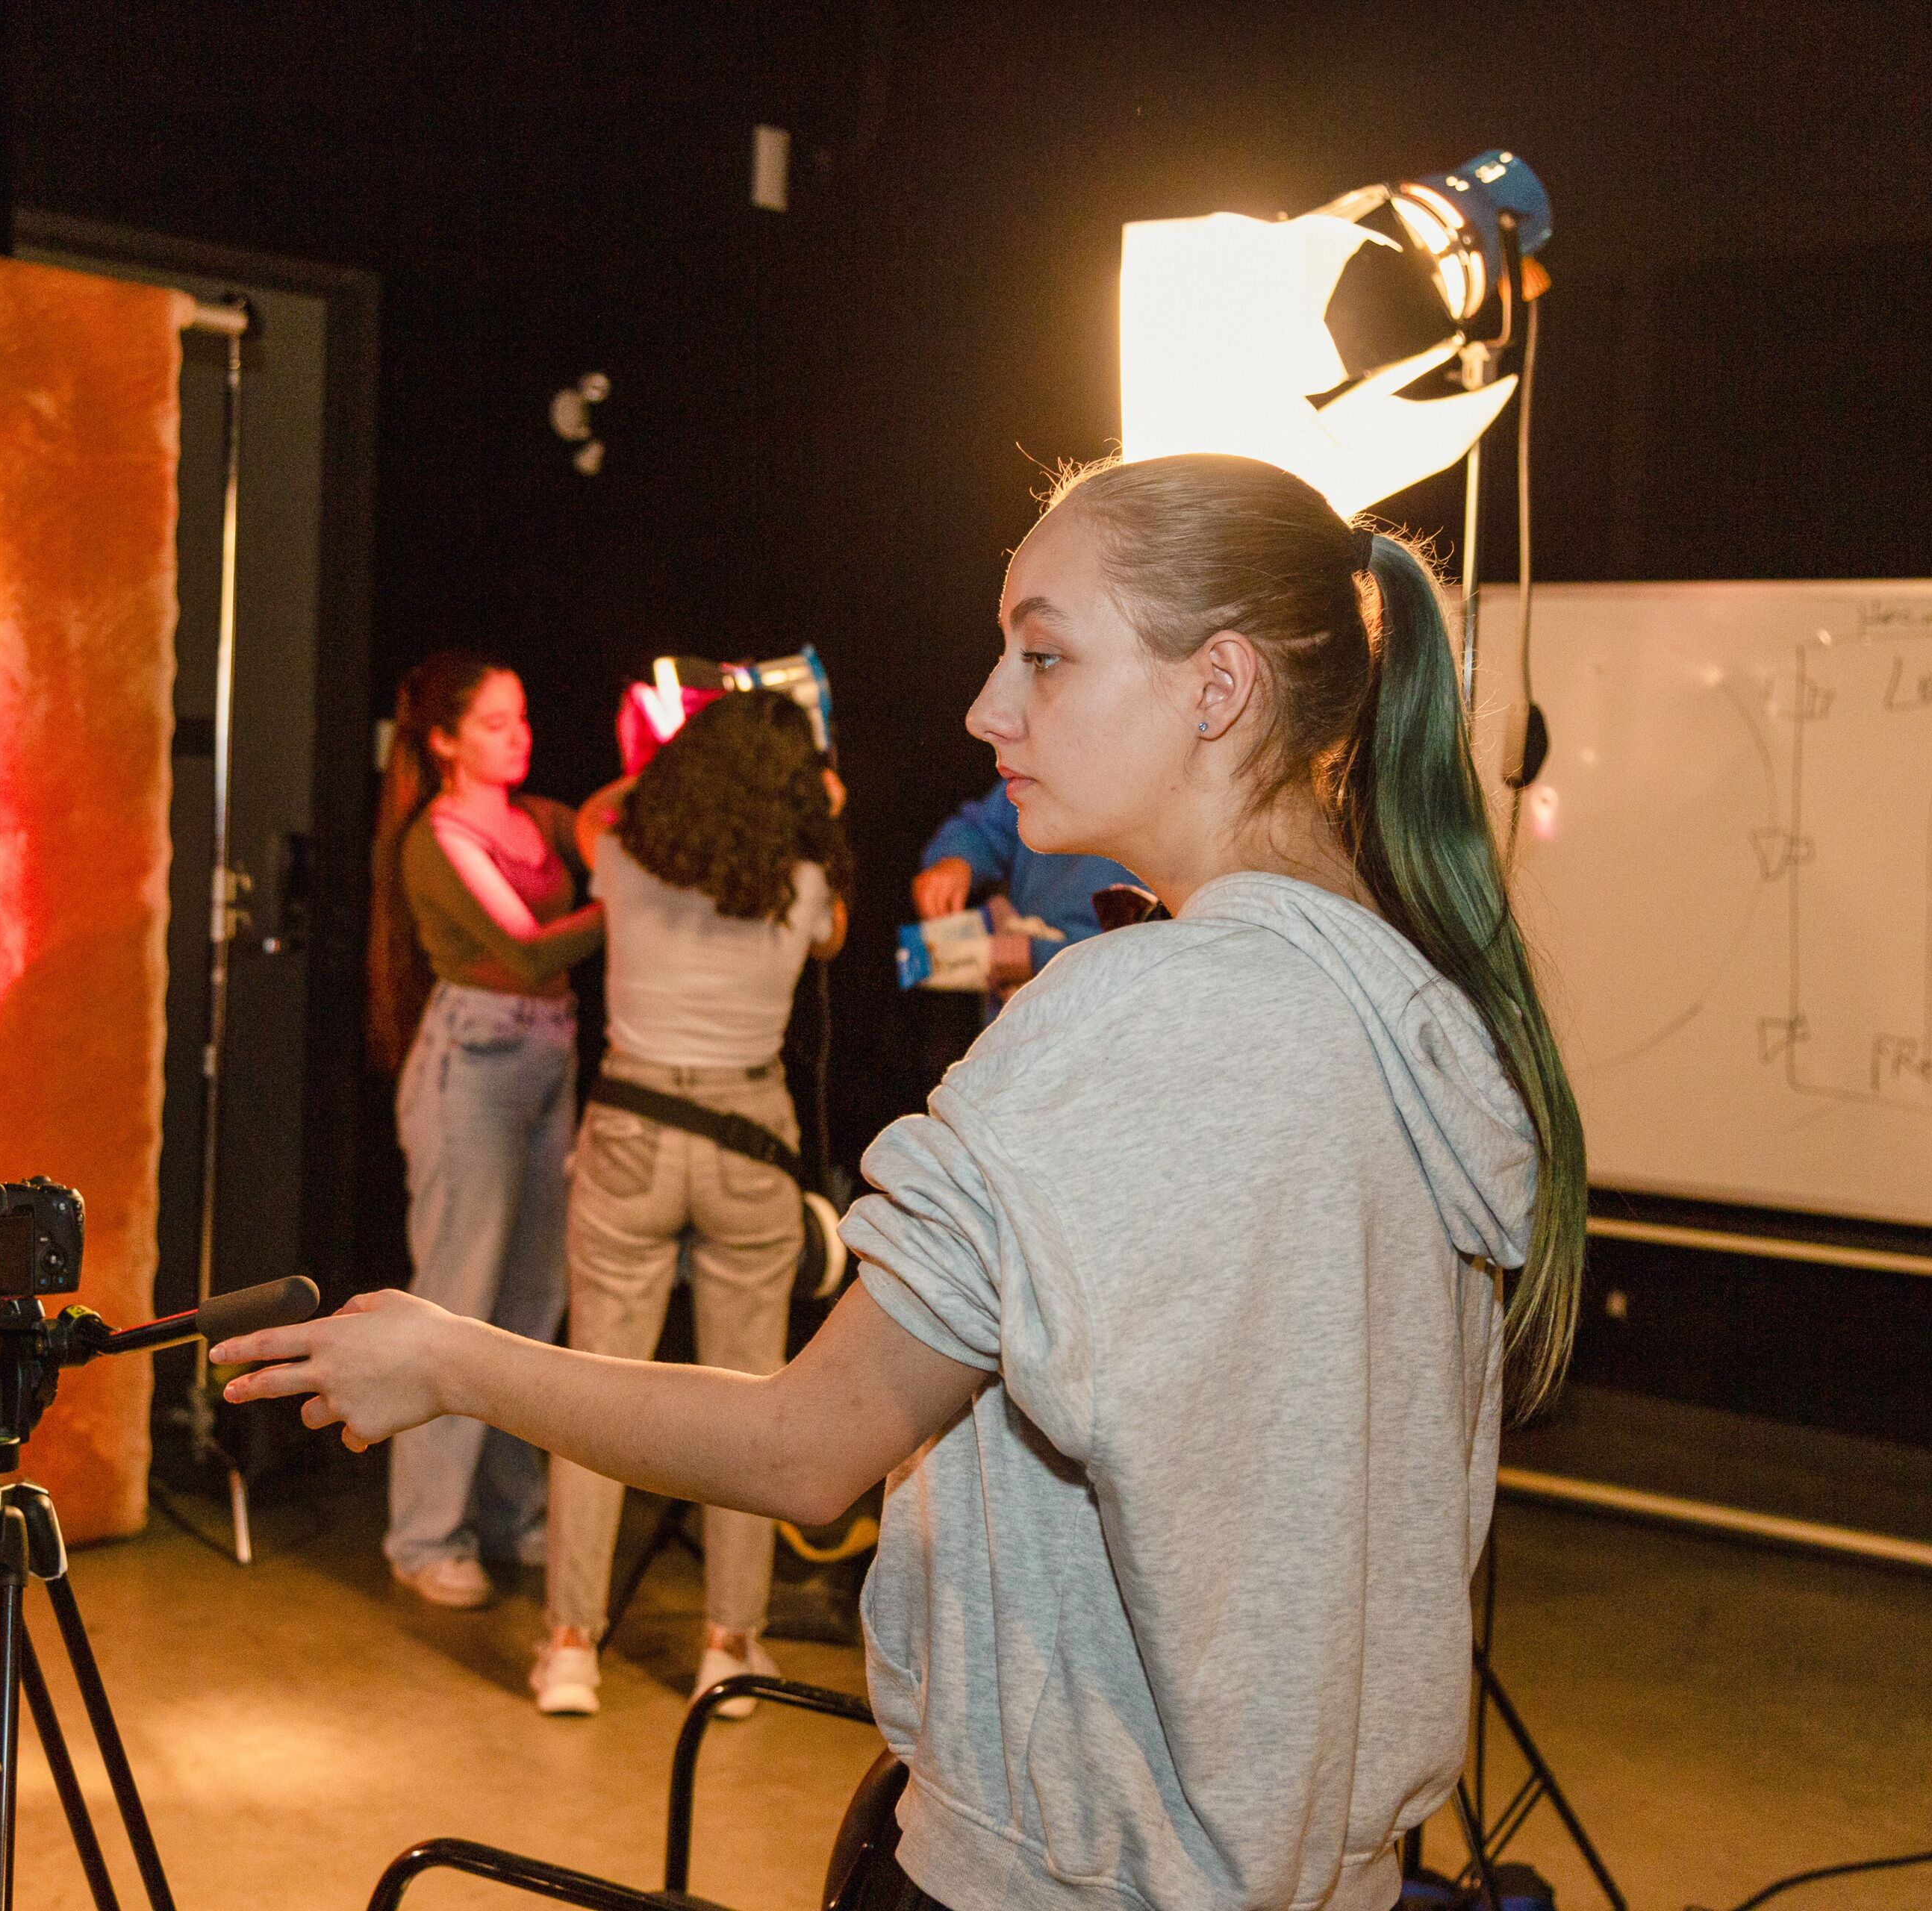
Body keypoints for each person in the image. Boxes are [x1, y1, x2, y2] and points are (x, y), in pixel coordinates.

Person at [237, 452, 1585, 1911]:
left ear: (1220, 687)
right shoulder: (1419, 1006)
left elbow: (809, 1443)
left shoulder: (1134, 1012)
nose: (987, 707)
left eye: (1047, 653)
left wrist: (445, 1354)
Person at [531, 690, 850, 1719]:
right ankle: (730, 1647)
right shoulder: (805, 886)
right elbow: (836, 934)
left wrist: (671, 767)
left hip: (630, 1122)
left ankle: (571, 1648)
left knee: (591, 1392)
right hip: (747, 1137)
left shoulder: (625, 856)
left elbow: (597, 808)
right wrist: (821, 799)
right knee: (751, 1403)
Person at [366, 652, 604, 1609]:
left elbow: (620, 821)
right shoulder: (438, 834)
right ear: (444, 739)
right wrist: (631, 901)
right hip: (473, 1068)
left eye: (523, 717)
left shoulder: (545, 820)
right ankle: (425, 1535)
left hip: (550, 1060)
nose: (520, 734)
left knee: (534, 1300)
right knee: (457, 1299)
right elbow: (525, 945)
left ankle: (511, 1515)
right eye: (496, 721)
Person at [910, 781, 1136, 988]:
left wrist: (1035, 954)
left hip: (1112, 1011)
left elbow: (1149, 949)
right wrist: (957, 860)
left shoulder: (1153, 787)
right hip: (1018, 1007)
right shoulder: (1046, 766)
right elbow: (985, 829)